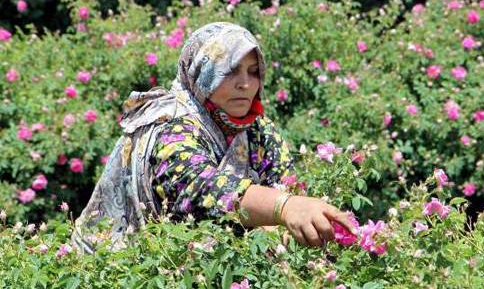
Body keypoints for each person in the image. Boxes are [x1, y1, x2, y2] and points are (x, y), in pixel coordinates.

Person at [71, 22, 357, 254]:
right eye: (230, 70)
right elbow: (201, 189)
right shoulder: (169, 124)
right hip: (127, 269)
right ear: (203, 73)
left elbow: (286, 184)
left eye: (254, 72)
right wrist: (283, 207)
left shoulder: (258, 130)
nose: (245, 84)